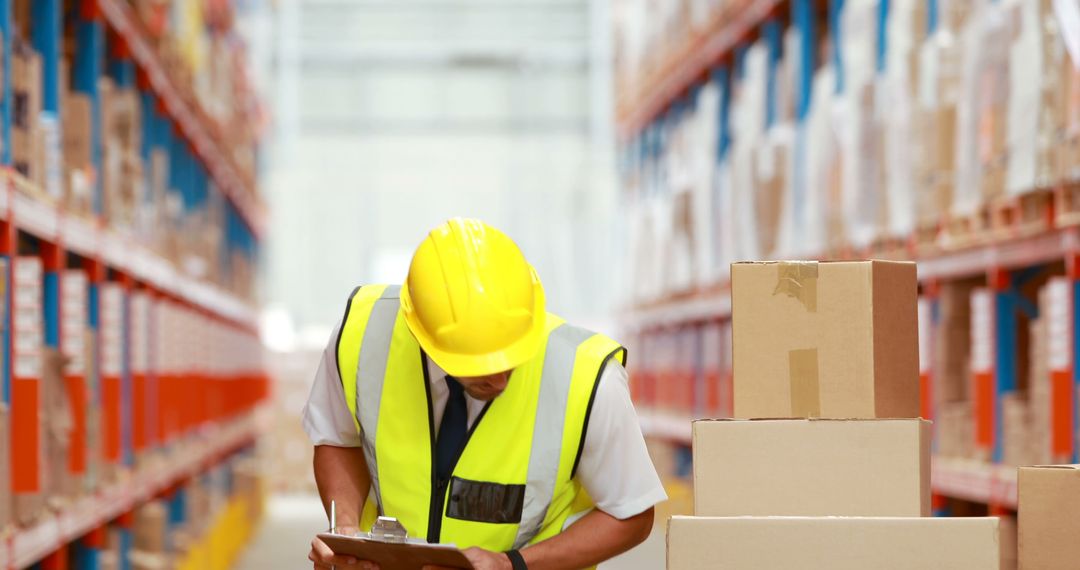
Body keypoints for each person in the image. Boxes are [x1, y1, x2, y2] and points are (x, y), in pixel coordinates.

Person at [303, 218, 666, 570]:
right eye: (476, 367)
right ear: (424, 337)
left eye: (512, 357)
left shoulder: (588, 377)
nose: (500, 381)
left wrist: (512, 565)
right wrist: (347, 531)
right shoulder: (362, 335)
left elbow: (631, 513)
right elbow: (338, 437)